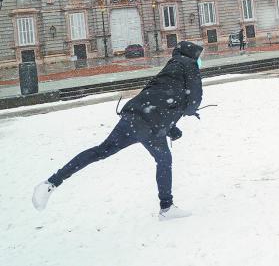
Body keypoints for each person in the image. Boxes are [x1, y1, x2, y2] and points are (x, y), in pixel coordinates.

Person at [32, 41, 205, 219]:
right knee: (164, 160)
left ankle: (51, 182)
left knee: (100, 151)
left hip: (133, 117)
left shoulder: (171, 67)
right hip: (150, 124)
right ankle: (166, 207)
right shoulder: (189, 64)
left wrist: (170, 127)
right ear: (193, 55)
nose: (200, 61)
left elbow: (159, 97)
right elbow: (192, 102)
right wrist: (189, 111)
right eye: (200, 57)